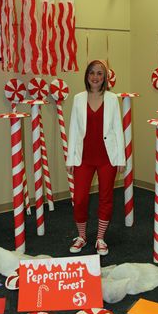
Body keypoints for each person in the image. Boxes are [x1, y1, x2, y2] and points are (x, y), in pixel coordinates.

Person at [66, 60, 125, 256]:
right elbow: (73, 129)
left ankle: (100, 238)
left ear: (104, 77)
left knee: (106, 198)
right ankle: (82, 236)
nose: (95, 77)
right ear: (87, 75)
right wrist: (70, 160)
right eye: (92, 73)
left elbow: (118, 129)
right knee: (80, 198)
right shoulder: (78, 98)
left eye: (99, 73)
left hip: (107, 157)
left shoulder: (112, 98)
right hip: (83, 158)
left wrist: (121, 159)